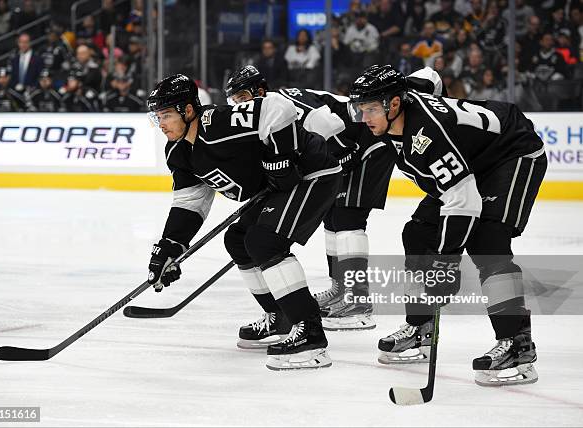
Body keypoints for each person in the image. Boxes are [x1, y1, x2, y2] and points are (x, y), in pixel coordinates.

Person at [348, 64, 546, 386]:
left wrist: (445, 261)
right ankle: (421, 327)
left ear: (394, 104)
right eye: (361, 109)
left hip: (512, 151)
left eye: (370, 109)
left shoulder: (427, 135)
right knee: (417, 233)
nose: (365, 118)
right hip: (469, 162)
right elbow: (429, 75)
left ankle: (517, 345)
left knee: (488, 242)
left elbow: (465, 204)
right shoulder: (399, 106)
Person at [225, 65, 444, 332]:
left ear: (259, 91)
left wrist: (344, 154)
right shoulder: (262, 115)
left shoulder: (280, 103)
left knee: (347, 216)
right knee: (334, 215)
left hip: (366, 140)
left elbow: (329, 123)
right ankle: (342, 289)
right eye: (234, 101)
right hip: (352, 140)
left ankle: (358, 300)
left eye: (242, 97)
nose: (239, 105)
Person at [146, 73, 342, 370]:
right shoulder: (178, 151)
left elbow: (277, 107)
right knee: (237, 240)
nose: (161, 124)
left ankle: (311, 335)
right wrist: (171, 245)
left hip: (313, 173)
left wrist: (281, 159)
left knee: (264, 242)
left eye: (166, 115)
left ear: (188, 110)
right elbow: (191, 201)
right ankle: (280, 317)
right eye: (156, 117)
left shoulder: (218, 123)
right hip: (279, 186)